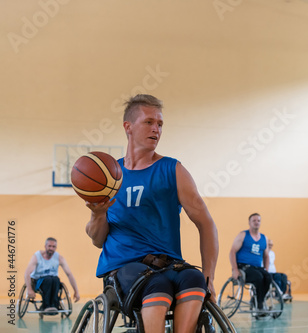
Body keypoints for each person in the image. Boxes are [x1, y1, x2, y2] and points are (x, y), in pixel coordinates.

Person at [85, 94, 219, 333]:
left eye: (160, 124)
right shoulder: (108, 176)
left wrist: (209, 275)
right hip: (124, 267)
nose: (156, 129)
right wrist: (98, 215)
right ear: (128, 127)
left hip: (169, 265)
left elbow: (206, 224)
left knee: (194, 280)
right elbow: (97, 240)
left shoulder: (173, 170)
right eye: (149, 122)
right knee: (156, 284)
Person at [229, 213, 272, 314]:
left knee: (268, 277)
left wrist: (266, 269)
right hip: (243, 267)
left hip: (257, 268)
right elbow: (232, 252)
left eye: (258, 220)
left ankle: (258, 301)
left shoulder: (264, 238)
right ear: (249, 223)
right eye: (254, 220)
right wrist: (235, 270)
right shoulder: (243, 235)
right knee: (258, 277)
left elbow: (266, 256)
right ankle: (259, 304)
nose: (256, 222)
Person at [23, 237, 80, 313]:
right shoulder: (37, 256)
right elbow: (27, 273)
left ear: (56, 248)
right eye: (49, 246)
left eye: (53, 247)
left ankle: (54, 305)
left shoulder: (59, 258)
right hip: (38, 281)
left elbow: (69, 274)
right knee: (48, 279)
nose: (51, 248)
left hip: (53, 281)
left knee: (56, 279)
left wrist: (76, 291)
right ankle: (46, 306)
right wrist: (29, 289)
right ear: (45, 246)